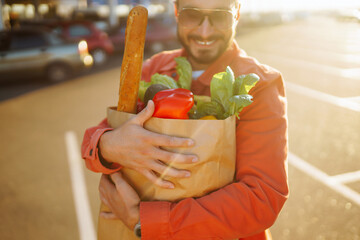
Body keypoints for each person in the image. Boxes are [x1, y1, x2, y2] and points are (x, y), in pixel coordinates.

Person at [81, 0, 289, 239]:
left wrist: (142, 221)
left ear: (237, 14)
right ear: (177, 12)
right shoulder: (155, 67)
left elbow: (262, 199)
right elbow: (95, 141)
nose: (205, 31)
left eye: (220, 16)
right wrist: (108, 145)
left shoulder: (259, 84)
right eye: (192, 15)